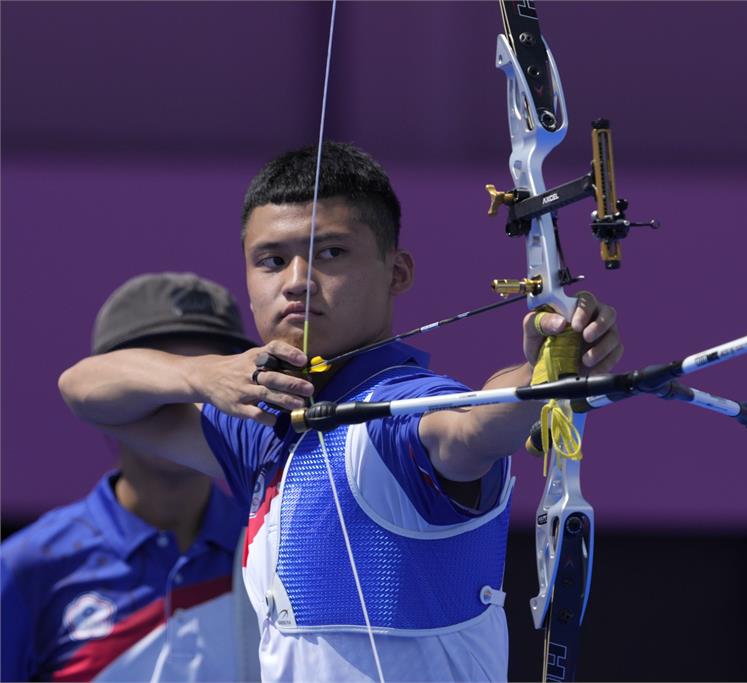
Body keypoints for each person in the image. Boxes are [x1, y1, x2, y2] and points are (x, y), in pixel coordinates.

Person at [57, 142, 623, 682]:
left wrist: (541, 374)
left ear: (397, 272)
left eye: (330, 253)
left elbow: (472, 425)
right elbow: (85, 390)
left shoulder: (402, 413)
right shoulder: (263, 425)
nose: (297, 283)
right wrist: (199, 374)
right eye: (271, 260)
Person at [2, 272, 262, 682]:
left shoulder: (270, 550)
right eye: (161, 381)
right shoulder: (25, 566)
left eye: (212, 381)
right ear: (108, 394)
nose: (186, 403)